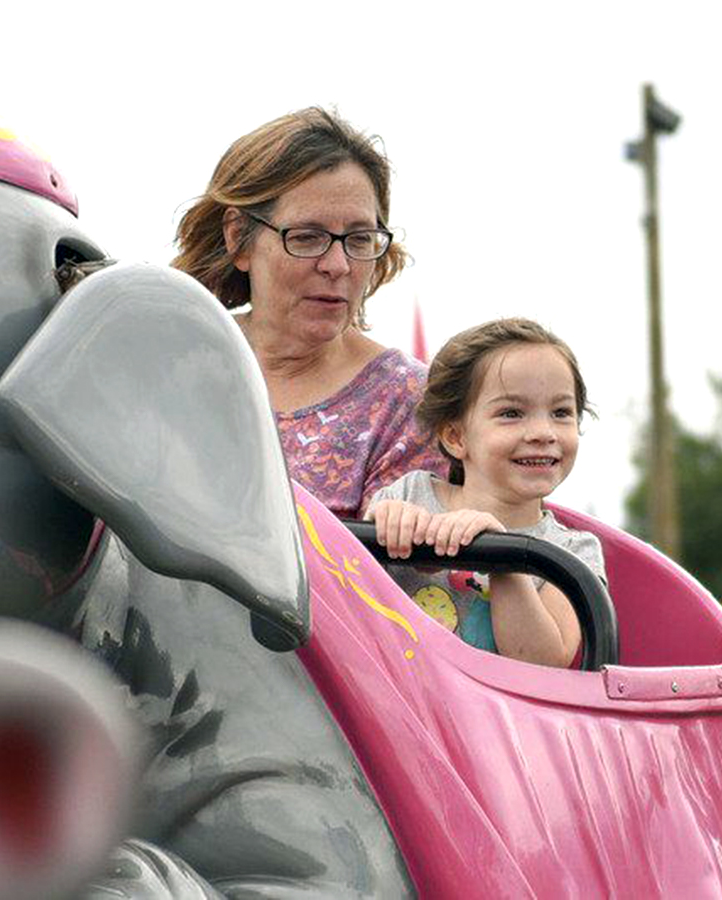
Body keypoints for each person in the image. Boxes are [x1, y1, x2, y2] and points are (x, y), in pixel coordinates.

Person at [173, 108, 448, 518]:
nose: (338, 264)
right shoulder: (168, 364)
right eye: (307, 237)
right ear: (238, 238)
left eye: (359, 239)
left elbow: (399, 582)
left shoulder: (410, 403)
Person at [365, 318, 605, 668]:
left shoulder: (573, 553)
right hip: (395, 708)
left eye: (561, 412)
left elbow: (545, 663)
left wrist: (502, 559)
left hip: (498, 721)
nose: (543, 432)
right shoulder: (409, 494)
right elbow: (351, 597)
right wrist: (385, 527)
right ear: (456, 437)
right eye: (511, 413)